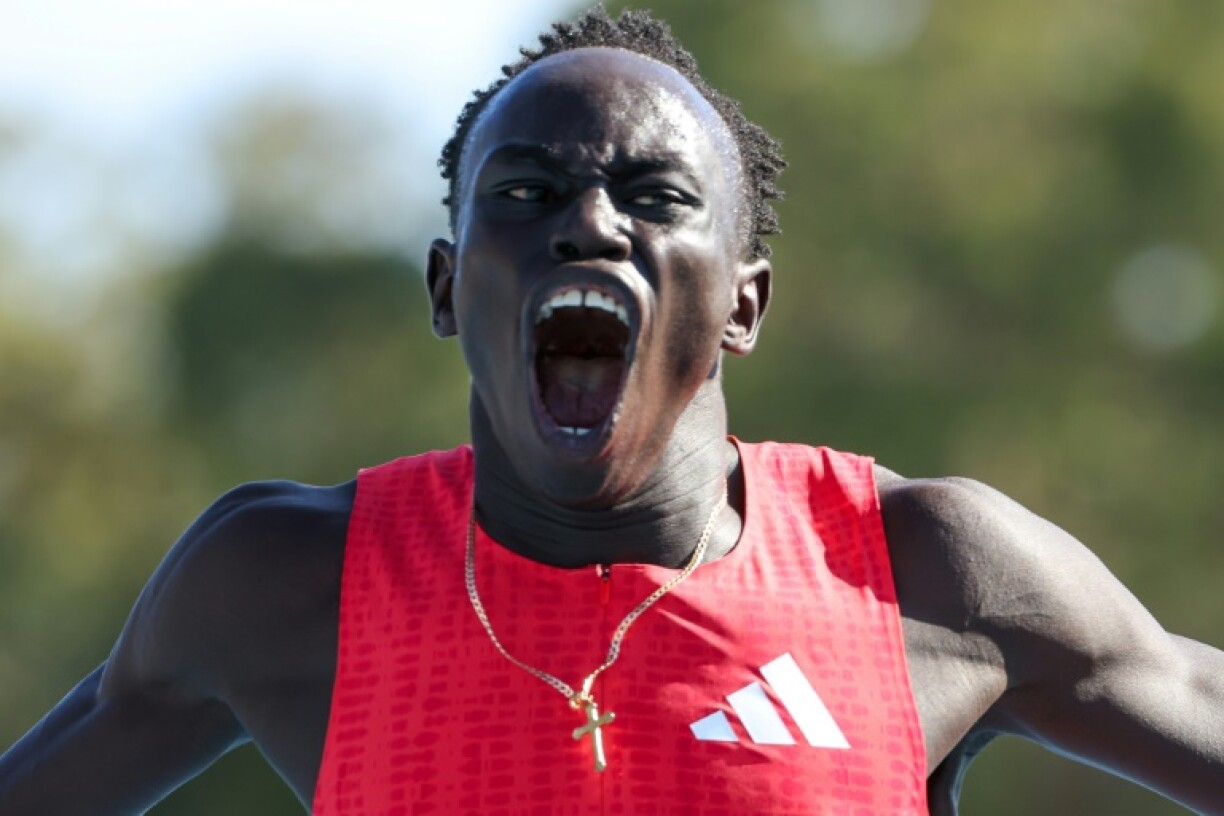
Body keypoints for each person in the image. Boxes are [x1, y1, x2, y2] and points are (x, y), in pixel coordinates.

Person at [1, 7, 1222, 815]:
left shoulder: (929, 573)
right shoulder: (285, 581)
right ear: (446, 287)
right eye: (527, 191)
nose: (587, 224)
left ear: (743, 306)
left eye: (654, 194)